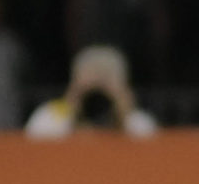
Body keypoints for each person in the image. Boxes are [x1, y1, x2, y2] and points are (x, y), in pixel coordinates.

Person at [25, 44, 157, 138]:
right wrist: (72, 117)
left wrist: (123, 120)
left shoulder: (138, 120)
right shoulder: (49, 116)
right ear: (74, 84)